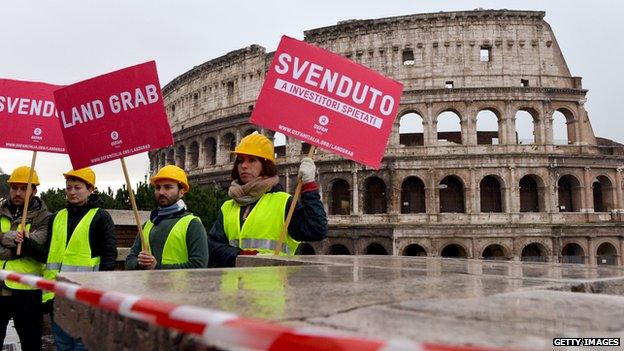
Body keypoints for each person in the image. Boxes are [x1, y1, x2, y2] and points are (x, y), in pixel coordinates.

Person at [28, 167, 117, 350]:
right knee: (63, 346)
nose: (72, 192)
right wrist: (27, 243)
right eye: (68, 187)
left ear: (91, 189)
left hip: (84, 299)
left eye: (77, 187)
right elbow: (48, 255)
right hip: (57, 299)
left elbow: (109, 257)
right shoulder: (57, 217)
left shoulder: (101, 217)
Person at [208, 132, 327, 267]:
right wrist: (241, 255)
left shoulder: (283, 203)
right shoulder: (228, 206)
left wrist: (309, 185)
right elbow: (213, 246)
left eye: (252, 160)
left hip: (273, 284)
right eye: (240, 160)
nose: (244, 166)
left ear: (266, 166)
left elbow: (317, 230)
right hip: (233, 286)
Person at [0, 166, 50, 351]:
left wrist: (3, 238)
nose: (18, 192)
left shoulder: (45, 218)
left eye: (23, 188)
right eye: (14, 188)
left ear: (34, 190)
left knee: (31, 344)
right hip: (0, 287)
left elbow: (38, 245)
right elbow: (23, 245)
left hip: (27, 290)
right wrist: (18, 244)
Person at [125, 165, 208, 270]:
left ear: (181, 191)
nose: (161, 192)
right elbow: (129, 261)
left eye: (168, 187)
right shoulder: (148, 225)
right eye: (158, 187)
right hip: (148, 286)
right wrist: (139, 262)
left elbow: (199, 266)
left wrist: (157, 267)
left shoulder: (192, 224)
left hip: (181, 286)